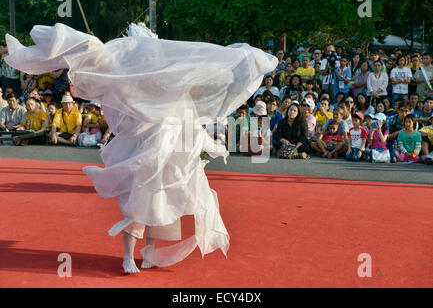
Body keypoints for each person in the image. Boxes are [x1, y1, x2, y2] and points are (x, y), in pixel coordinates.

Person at [6, 22, 278, 273]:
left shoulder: (168, 84)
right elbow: (119, 116)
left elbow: (186, 113)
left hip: (165, 151)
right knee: (138, 204)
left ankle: (148, 252)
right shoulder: (127, 86)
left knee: (159, 205)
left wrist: (199, 145)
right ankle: (128, 256)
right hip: (140, 151)